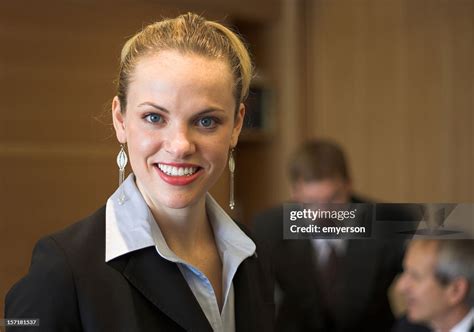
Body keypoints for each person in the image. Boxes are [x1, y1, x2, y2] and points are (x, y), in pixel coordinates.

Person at [5, 13, 274, 332]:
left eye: (206, 121)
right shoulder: (62, 272)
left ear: (237, 125)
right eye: (154, 118)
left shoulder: (253, 254)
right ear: (120, 119)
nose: (180, 146)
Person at [252, 139, 404, 331]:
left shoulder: (385, 223)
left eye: (333, 199)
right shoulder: (268, 227)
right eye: (312, 202)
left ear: (348, 185)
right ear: (295, 193)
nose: (324, 213)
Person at [394, 240, 474, 332]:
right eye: (405, 272)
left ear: (456, 290)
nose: (401, 287)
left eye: (415, 276)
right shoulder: (407, 326)